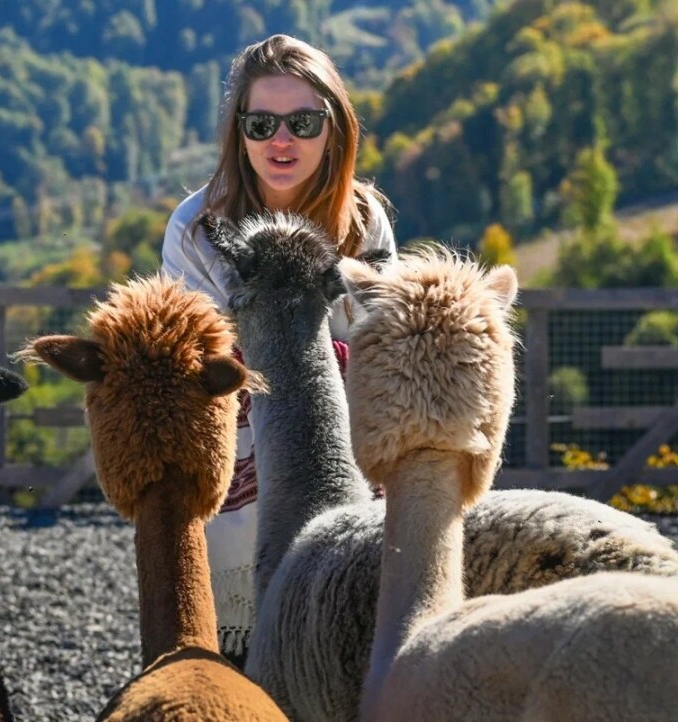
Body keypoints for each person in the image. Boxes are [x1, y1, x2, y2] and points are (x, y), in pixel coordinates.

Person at [160, 33, 396, 665]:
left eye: (303, 122)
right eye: (262, 123)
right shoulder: (196, 228)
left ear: (334, 129)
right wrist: (307, 358)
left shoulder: (364, 220)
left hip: (344, 453)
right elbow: (200, 363)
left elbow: (379, 349)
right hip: (240, 458)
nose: (282, 141)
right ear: (239, 132)